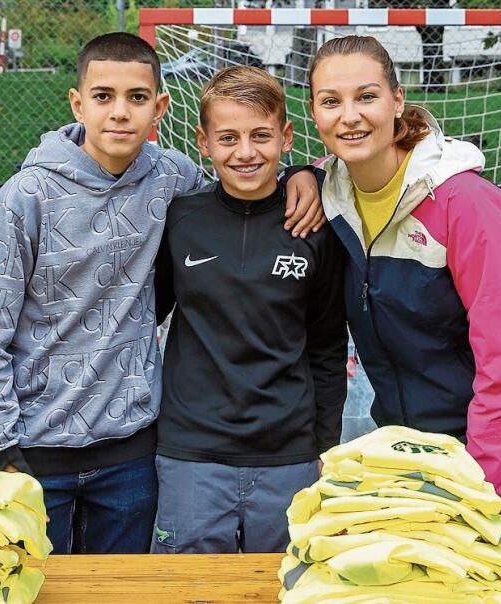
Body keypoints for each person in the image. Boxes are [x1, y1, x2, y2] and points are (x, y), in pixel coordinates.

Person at [0, 33, 322, 555]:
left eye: (137, 98)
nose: (121, 113)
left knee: (129, 588)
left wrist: (303, 175)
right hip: (36, 451)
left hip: (133, 453)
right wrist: (2, 444)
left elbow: (242, 175)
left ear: (159, 107)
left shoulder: (172, 178)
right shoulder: (25, 198)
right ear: (78, 103)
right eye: (104, 96)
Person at [307, 35, 501, 530]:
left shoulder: (466, 204)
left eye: (367, 96)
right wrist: (299, 175)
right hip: (404, 437)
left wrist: (480, 487)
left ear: (398, 101)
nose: (350, 116)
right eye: (331, 102)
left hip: (493, 440)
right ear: (313, 111)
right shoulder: (328, 192)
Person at [151, 66, 348, 554]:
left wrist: (324, 444)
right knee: (191, 591)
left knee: (286, 586)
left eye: (261, 135)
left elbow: (327, 344)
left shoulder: (316, 227)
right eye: (228, 137)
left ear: (285, 137)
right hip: (192, 454)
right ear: (203, 141)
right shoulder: (180, 220)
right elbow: (142, 318)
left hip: (288, 456)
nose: (245, 152)